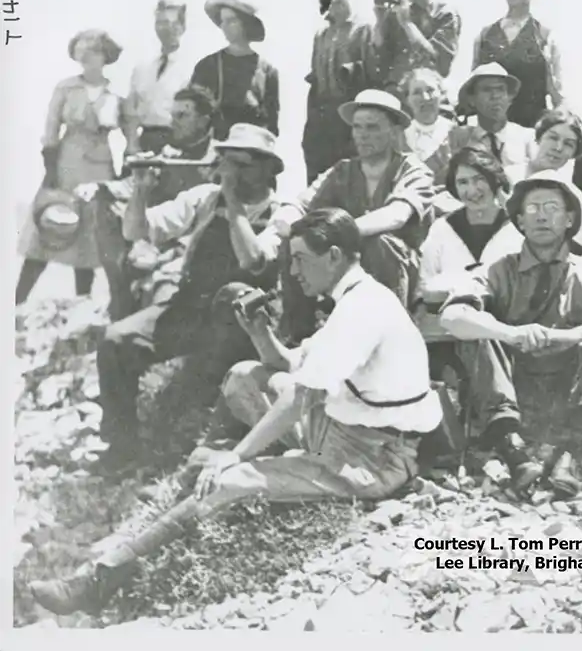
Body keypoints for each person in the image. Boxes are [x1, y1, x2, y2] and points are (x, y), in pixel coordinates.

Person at [29, 208, 443, 617]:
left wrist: (239, 455)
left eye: (300, 258)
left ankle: (103, 578)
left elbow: (300, 397)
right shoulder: (355, 297)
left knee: (231, 478)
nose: (294, 271)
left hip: (372, 459)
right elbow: (290, 366)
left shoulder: (362, 310)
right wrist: (259, 331)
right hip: (346, 428)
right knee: (246, 376)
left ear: (334, 256)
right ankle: (217, 462)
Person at [94, 124, 289, 472]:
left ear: (268, 170)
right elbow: (135, 231)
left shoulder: (284, 212)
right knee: (116, 341)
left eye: (242, 165)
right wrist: (141, 189)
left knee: (205, 384)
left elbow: (253, 260)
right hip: (190, 310)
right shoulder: (203, 197)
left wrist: (232, 201)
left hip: (246, 325)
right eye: (227, 163)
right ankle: (122, 447)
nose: (231, 173)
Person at [440, 171, 582, 497]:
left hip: (569, 394)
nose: (542, 215)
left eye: (552, 207)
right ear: (520, 221)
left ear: (569, 219)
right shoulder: (498, 269)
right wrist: (509, 333)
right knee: (477, 326)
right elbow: (451, 315)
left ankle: (568, 455)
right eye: (532, 208)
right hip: (512, 392)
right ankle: (514, 454)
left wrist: (573, 335)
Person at [269, 90, 436, 344]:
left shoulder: (412, 170)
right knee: (293, 244)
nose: (362, 134)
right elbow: (298, 205)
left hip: (397, 269)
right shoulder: (343, 170)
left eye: (372, 127)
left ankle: (387, 336)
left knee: (379, 241)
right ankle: (298, 333)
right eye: (357, 127)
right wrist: (290, 220)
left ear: (393, 131)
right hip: (345, 263)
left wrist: (333, 234)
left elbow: (396, 215)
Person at [16, 29, 125, 305]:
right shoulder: (66, 87)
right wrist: (51, 170)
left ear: (106, 56)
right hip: (67, 164)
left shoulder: (117, 92)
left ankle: (82, 306)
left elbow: (131, 133)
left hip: (100, 167)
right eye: (82, 53)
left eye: (93, 52)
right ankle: (14, 304)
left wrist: (123, 176)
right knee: (46, 229)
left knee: (87, 241)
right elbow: (51, 128)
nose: (87, 58)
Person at [93, 85, 219, 321]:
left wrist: (176, 250)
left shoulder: (220, 160)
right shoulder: (170, 154)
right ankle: (120, 306)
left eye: (183, 116)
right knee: (106, 206)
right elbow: (131, 187)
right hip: (162, 237)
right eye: (172, 116)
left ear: (204, 121)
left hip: (198, 245)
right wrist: (103, 188)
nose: (174, 123)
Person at [414, 148, 523, 370]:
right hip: (449, 333)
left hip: (505, 331)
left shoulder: (517, 227)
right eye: (463, 182)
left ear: (495, 180)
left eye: (479, 179)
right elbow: (425, 284)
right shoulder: (442, 228)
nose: (471, 190)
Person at [303, 0, 380, 185]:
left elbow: (372, 82)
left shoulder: (364, 30)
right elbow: (315, 84)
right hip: (322, 123)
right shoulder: (321, 35)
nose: (334, 0)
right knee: (318, 186)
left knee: (351, 184)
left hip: (350, 121)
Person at [472, 0, 563, 128]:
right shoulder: (485, 35)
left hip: (530, 130)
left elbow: (558, 95)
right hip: (491, 132)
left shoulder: (545, 36)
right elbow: (473, 89)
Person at [189, 0, 280, 140]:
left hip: (252, 146)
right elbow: (194, 115)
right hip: (217, 145)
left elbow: (271, 123)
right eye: (222, 21)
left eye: (231, 21)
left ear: (245, 24)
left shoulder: (267, 70)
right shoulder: (208, 65)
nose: (224, 26)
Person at [370, 0, 462, 99]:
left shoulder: (443, 12)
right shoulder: (395, 11)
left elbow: (441, 64)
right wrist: (379, 22)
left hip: (426, 97)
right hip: (396, 96)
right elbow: (379, 62)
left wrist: (407, 24)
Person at [505, 108, 582, 236]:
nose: (558, 148)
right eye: (553, 138)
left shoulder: (574, 196)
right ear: (539, 138)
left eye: (568, 144)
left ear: (573, 154)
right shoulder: (507, 176)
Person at [122, 0, 197, 157]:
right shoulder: (142, 68)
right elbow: (130, 111)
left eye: (173, 23)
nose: (167, 29)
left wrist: (180, 146)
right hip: (145, 140)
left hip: (176, 142)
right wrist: (132, 144)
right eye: (161, 23)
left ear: (182, 27)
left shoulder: (192, 68)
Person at [448, 63, 536, 172]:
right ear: (472, 100)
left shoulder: (527, 137)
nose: (495, 96)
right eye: (487, 90)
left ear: (509, 98)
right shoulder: (459, 139)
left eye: (500, 89)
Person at [398, 67, 456, 206]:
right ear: (407, 99)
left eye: (430, 90)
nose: (425, 98)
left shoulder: (458, 133)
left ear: (441, 94)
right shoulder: (399, 137)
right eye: (417, 92)